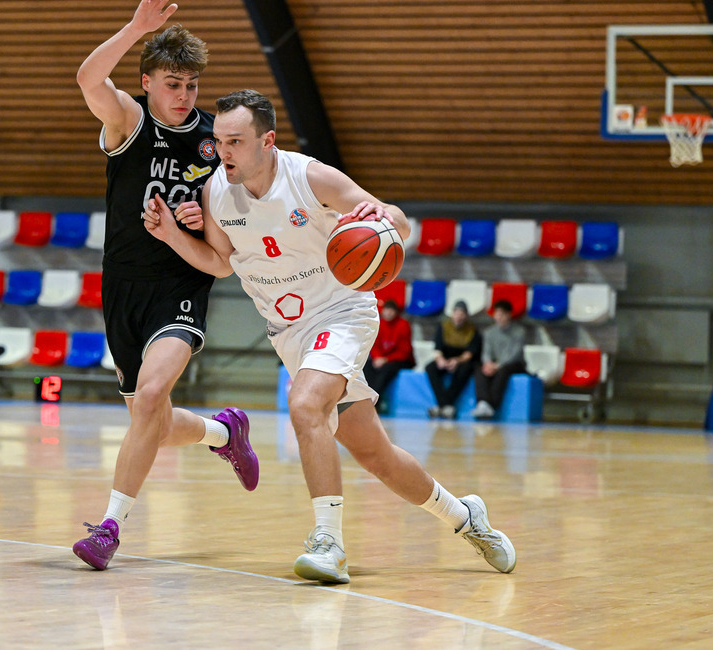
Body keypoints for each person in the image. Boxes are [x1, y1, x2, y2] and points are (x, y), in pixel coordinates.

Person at [145, 89, 516, 583]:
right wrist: (173, 234)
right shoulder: (217, 191)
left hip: (342, 312)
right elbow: (220, 263)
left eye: (235, 141)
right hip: (289, 332)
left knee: (303, 405)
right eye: (219, 140)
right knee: (374, 454)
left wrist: (377, 217)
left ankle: (328, 543)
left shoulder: (309, 176)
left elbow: (399, 222)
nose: (223, 151)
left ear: (267, 141)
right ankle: (465, 517)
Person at [70, 0, 258, 572]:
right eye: (172, 84)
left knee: (151, 394)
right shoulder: (128, 122)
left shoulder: (213, 144)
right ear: (147, 82)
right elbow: (87, 79)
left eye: (192, 85)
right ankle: (223, 433)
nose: (184, 94)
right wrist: (137, 28)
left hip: (180, 286)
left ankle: (109, 529)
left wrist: (195, 222)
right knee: (146, 416)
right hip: (121, 286)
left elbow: (223, 254)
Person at [425, 300, 481, 420]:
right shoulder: (444, 326)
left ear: (466, 315)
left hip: (462, 360)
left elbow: (470, 352)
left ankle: (442, 405)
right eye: (456, 313)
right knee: (430, 367)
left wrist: (457, 361)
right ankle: (446, 405)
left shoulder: (472, 330)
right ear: (452, 314)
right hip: (445, 358)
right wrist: (440, 360)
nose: (459, 317)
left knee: (465, 370)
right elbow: (438, 347)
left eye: (462, 314)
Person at [472, 299, 527, 420]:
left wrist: (498, 365)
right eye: (496, 314)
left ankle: (492, 405)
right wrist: (487, 363)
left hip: (513, 364)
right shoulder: (489, 332)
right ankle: (482, 403)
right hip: (493, 363)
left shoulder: (519, 332)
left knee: (503, 372)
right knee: (479, 370)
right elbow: (486, 351)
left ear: (509, 314)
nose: (498, 317)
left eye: (502, 314)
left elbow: (515, 354)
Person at [362, 299, 414, 413]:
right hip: (381, 358)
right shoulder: (379, 324)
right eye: (386, 310)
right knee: (367, 367)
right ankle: (365, 399)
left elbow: (404, 351)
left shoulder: (403, 325)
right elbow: (373, 345)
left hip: (400, 360)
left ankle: (374, 402)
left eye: (391, 310)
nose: (388, 313)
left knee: (386, 370)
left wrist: (386, 359)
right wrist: (377, 358)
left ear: (396, 312)